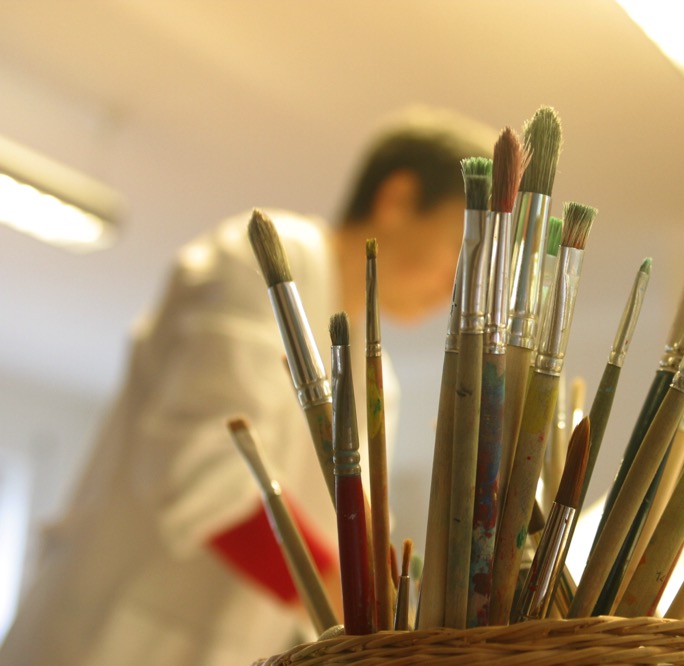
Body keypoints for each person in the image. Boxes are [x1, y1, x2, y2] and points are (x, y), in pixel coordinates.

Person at [0, 107, 493, 666]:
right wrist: (345, 588)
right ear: (398, 199)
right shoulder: (264, 257)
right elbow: (200, 472)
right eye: (459, 249)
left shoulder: (381, 383)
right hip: (102, 640)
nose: (458, 285)